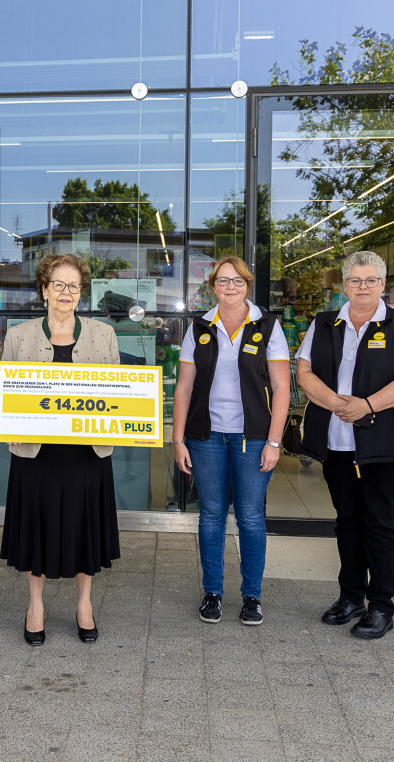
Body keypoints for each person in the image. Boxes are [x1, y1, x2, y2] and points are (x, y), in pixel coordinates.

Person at [296, 250, 394, 640]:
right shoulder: (324, 323)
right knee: (347, 522)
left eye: (371, 280)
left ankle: (382, 606)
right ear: (344, 285)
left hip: (386, 443)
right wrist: (337, 403)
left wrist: (367, 405)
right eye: (355, 280)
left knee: (379, 524)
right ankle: (351, 596)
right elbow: (303, 372)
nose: (363, 287)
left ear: (383, 284)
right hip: (337, 443)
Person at [0, 254, 121, 646]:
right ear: (44, 289)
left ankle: (84, 604)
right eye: (58, 285)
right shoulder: (19, 335)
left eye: (74, 286)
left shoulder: (104, 335)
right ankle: (36, 605)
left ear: (81, 292)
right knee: (38, 527)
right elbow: (0, 393)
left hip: (87, 453)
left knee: (86, 528)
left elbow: (120, 395)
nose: (66, 293)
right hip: (38, 454)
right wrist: (6, 429)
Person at [172, 256, 291, 627]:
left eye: (238, 281)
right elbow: (184, 387)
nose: (230, 288)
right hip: (205, 435)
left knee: (251, 516)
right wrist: (177, 440)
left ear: (248, 285)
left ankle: (252, 596)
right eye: (223, 281)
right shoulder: (199, 327)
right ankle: (213, 592)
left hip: (252, 437)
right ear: (212, 287)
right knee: (211, 515)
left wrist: (274, 441)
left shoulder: (268, 326)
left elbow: (283, 387)